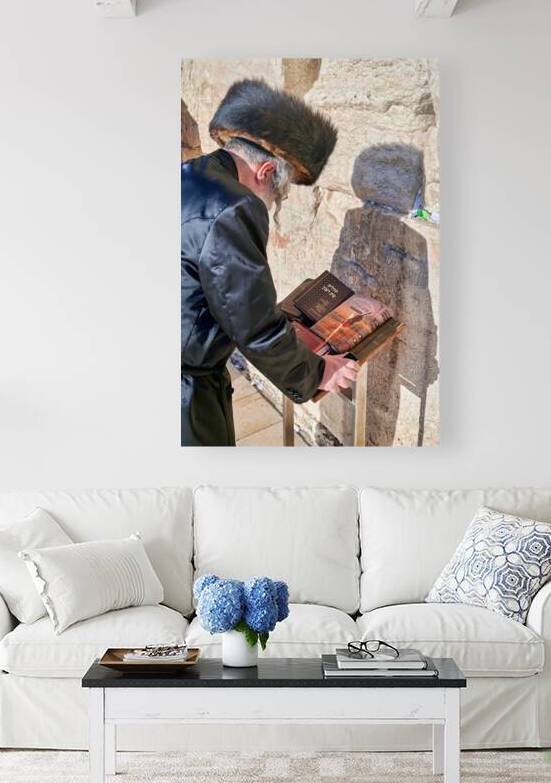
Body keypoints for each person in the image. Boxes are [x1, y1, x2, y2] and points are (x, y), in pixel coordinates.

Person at [181, 78, 360, 446]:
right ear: (264, 173)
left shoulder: (191, 174)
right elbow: (251, 320)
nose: (273, 203)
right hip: (184, 396)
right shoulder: (235, 206)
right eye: (276, 194)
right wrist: (316, 373)